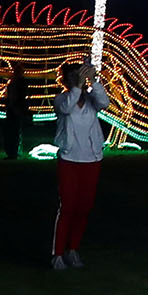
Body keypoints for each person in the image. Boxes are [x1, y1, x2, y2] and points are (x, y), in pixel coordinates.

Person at [50, 60, 109, 269]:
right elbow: (67, 107)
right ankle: (57, 254)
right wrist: (76, 86)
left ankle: (72, 249)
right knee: (67, 207)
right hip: (69, 159)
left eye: (80, 75)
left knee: (84, 207)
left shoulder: (92, 100)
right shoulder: (61, 99)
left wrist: (93, 80)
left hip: (91, 159)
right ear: (66, 81)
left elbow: (104, 102)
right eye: (74, 76)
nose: (79, 79)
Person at [1, 64, 30, 159]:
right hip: (13, 107)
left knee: (14, 130)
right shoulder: (15, 82)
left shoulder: (19, 82)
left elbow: (21, 95)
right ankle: (12, 151)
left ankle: (13, 152)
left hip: (16, 108)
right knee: (12, 130)